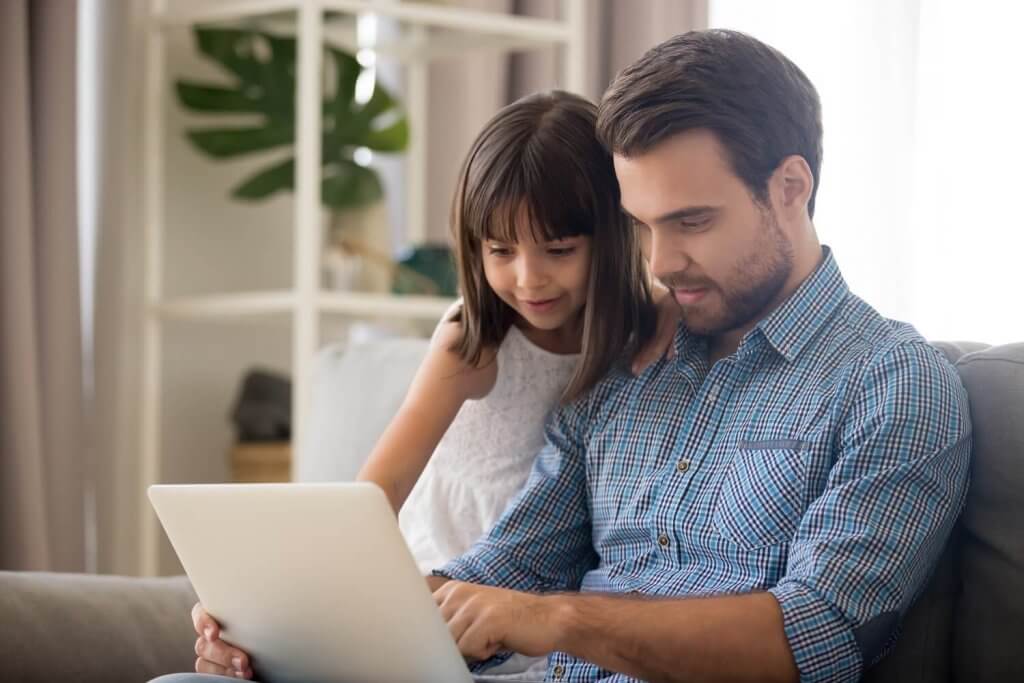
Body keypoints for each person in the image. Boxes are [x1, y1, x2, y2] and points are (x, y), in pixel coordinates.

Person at [177, 29, 972, 683]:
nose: (660, 263)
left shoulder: (892, 386)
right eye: (643, 224)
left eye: (691, 221)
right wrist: (287, 630)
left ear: (791, 188)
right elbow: (503, 570)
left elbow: (814, 637)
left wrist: (561, 618)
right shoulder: (628, 368)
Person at [180, 90, 675, 681]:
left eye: (559, 250)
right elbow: (374, 495)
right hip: (433, 601)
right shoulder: (472, 341)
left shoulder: (650, 333)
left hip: (541, 620)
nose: (528, 277)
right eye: (500, 250)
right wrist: (270, 609)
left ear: (614, 236)